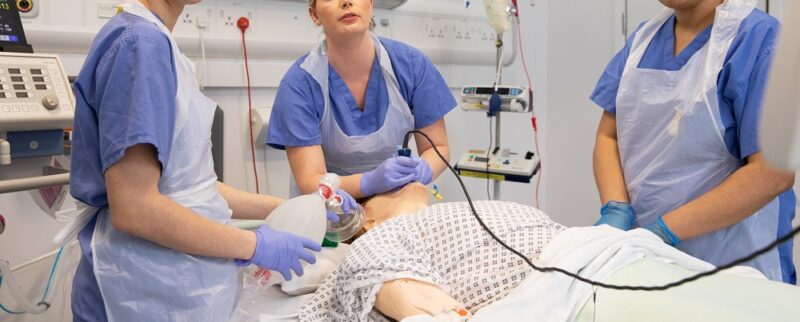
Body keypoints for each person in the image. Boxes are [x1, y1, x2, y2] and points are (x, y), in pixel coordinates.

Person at [66, 0, 325, 321]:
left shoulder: (160, 45)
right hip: (139, 291)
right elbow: (136, 207)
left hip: (168, 286)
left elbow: (188, 186)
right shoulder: (138, 46)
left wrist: (287, 209)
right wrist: (255, 245)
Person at [590, 0, 796, 282]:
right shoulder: (641, 42)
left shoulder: (759, 39)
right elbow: (608, 133)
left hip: (734, 259)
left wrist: (664, 231)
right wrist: (617, 209)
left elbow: (773, 173)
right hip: (644, 253)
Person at [298, 183, 800, 322]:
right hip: (586, 296)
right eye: (372, 194)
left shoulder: (452, 210)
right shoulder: (379, 241)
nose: (412, 184)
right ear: (366, 217)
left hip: (620, 258)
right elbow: (418, 304)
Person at [267, 0, 457, 198]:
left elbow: (437, 147)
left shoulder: (411, 66)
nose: (347, 0)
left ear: (370, 4)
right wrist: (369, 182)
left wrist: (423, 169)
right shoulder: (300, 84)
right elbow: (310, 181)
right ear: (314, 15)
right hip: (329, 207)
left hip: (395, 198)